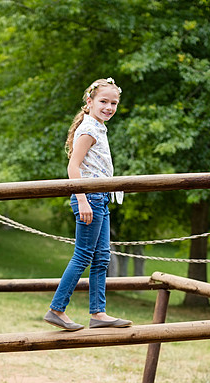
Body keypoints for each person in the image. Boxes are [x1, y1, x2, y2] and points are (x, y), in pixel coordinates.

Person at [43, 77, 133, 331]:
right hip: (89, 197)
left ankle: (98, 313)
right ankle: (57, 309)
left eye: (113, 103)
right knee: (83, 255)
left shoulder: (98, 127)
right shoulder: (88, 129)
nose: (109, 107)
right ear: (89, 101)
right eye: (103, 101)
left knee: (102, 257)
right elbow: (73, 166)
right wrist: (81, 199)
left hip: (100, 197)